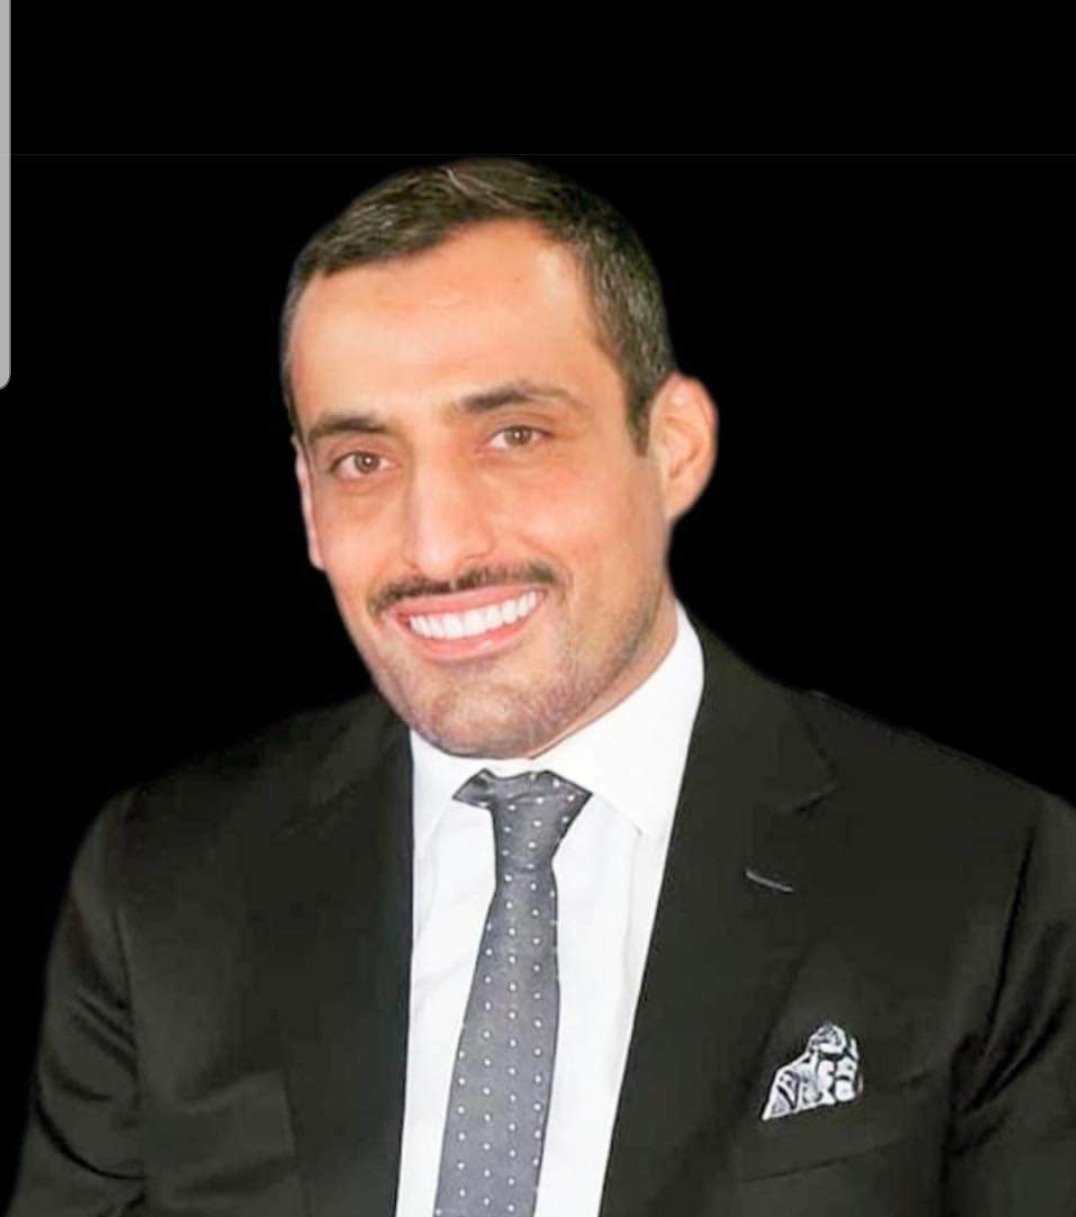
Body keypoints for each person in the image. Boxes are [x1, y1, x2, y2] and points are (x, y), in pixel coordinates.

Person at [9, 158, 1074, 1217]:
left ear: (673, 447)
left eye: (513, 437)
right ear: (306, 503)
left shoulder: (988, 875)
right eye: (363, 461)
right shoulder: (162, 879)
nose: (437, 545)